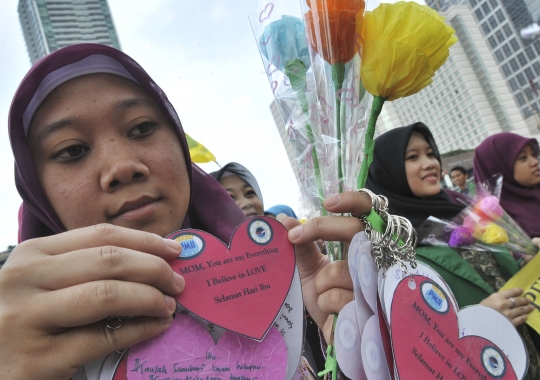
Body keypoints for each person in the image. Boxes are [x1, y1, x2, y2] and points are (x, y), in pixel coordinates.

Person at [0, 43, 367, 379]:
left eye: (142, 128)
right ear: (37, 191)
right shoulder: (17, 341)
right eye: (72, 150)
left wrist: (347, 346)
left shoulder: (284, 296)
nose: (123, 166)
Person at [365, 122, 540, 379]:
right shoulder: (392, 254)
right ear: (386, 173)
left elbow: (499, 274)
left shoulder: (461, 213)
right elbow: (418, 348)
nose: (429, 163)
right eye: (413, 157)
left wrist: (526, 260)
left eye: (431, 154)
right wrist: (480, 320)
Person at [474, 132, 540, 239]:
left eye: (533, 155)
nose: (535, 162)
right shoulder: (494, 220)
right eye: (523, 157)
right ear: (499, 168)